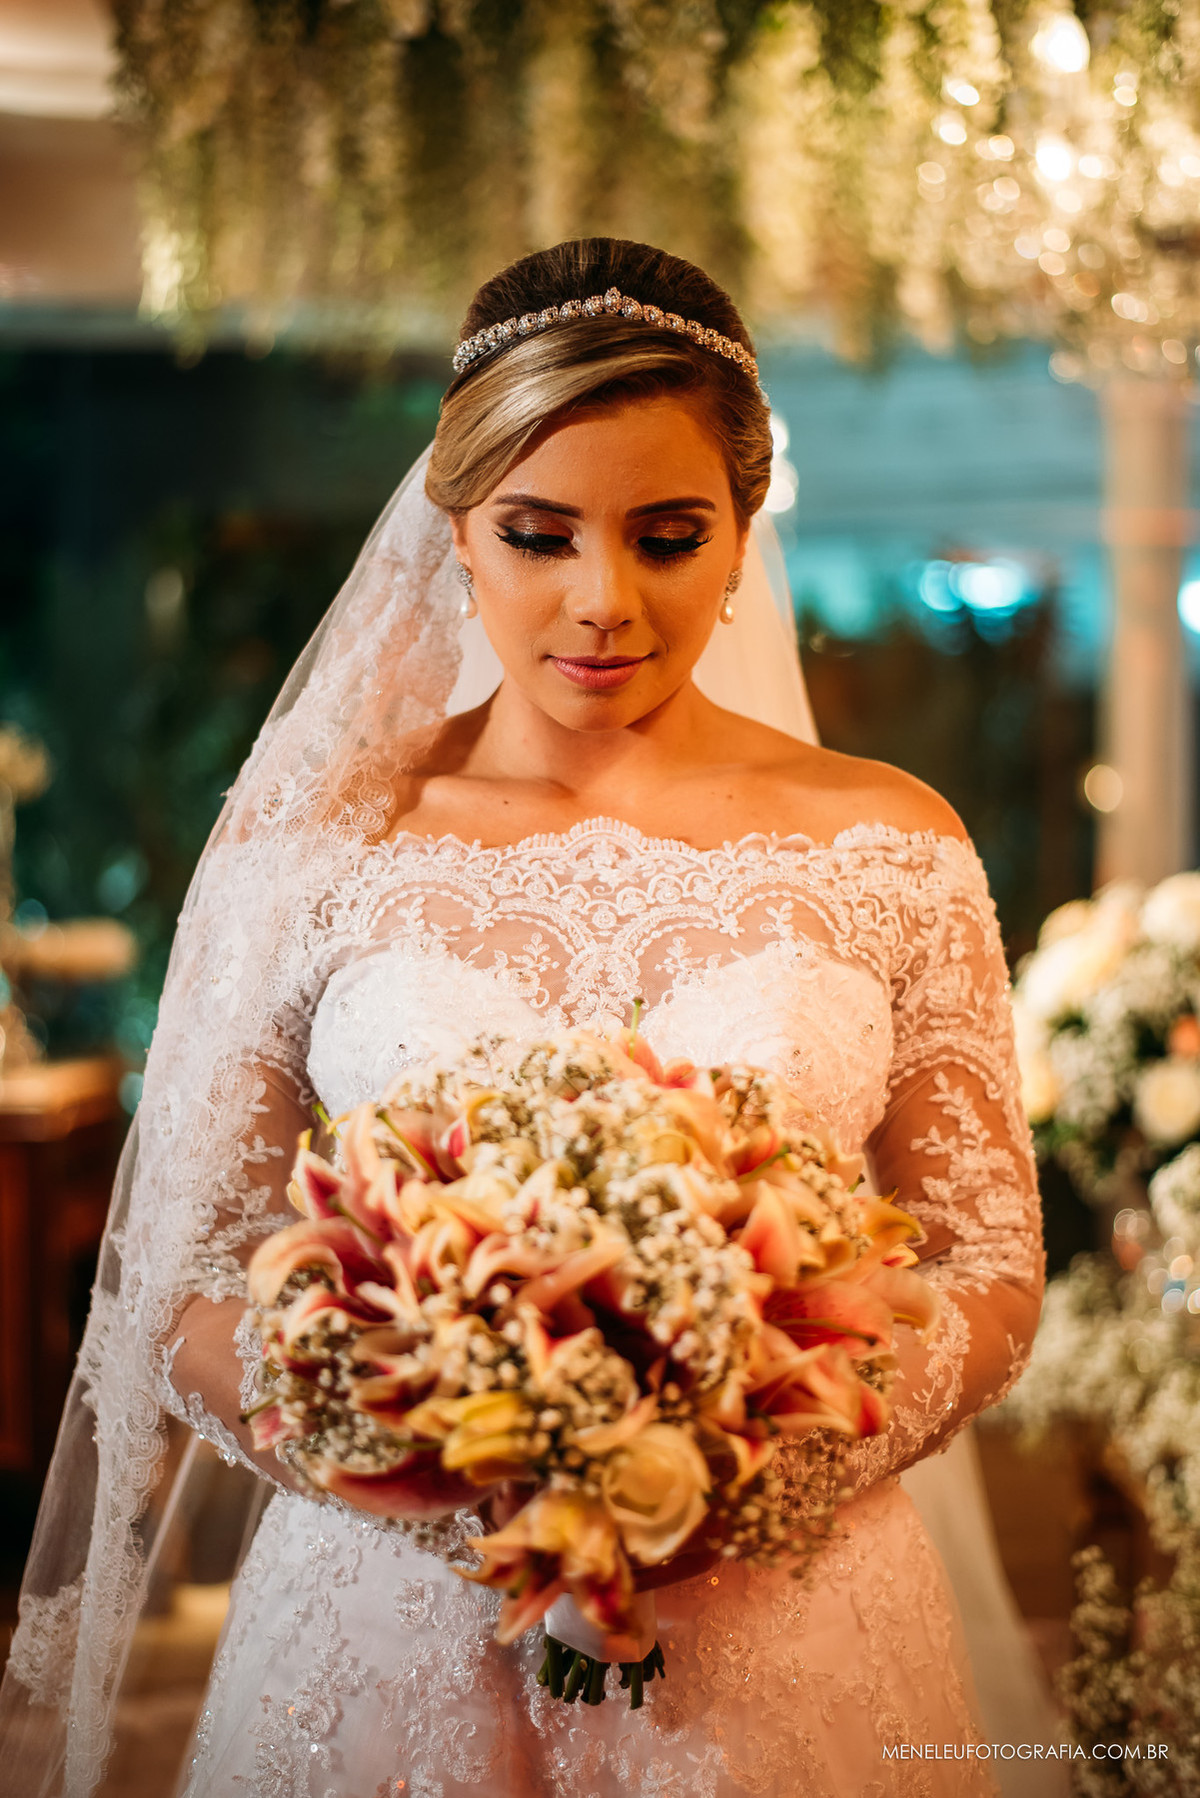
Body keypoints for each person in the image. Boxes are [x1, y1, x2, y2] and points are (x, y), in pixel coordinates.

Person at [2, 237, 1045, 1798]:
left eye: (668, 534)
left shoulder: (892, 842)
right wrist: (443, 1483)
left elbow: (987, 1262)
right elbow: (179, 1279)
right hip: (387, 1626)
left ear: (743, 530)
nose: (602, 601)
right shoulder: (317, 843)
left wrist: (754, 1469)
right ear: (457, 529)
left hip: (780, 1612)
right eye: (539, 534)